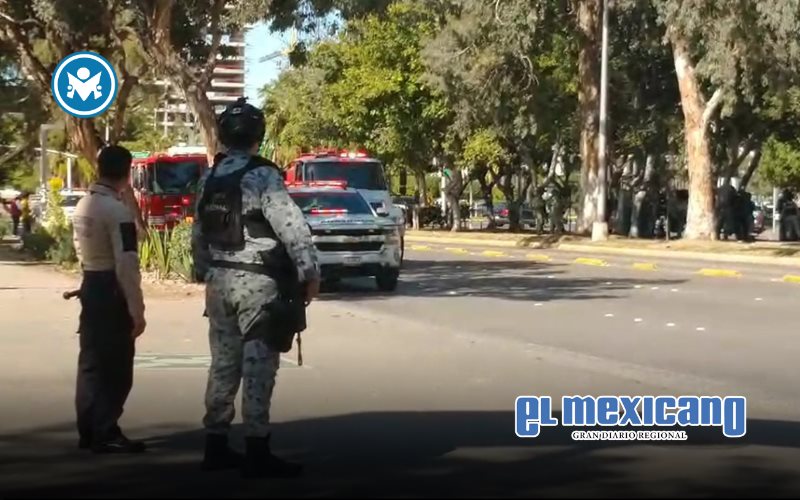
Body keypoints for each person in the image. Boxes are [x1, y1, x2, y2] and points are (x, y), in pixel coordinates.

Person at [192, 97, 321, 478]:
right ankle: (257, 449)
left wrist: (204, 272)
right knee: (259, 365)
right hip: (259, 286)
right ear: (257, 135)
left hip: (218, 283)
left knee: (223, 364)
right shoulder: (263, 176)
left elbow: (198, 234)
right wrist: (310, 271)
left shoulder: (210, 177)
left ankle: (215, 445)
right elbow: (292, 227)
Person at [71, 145, 147, 453]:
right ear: (128, 173)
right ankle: (106, 431)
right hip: (111, 286)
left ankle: (88, 430)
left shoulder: (83, 205)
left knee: (90, 361)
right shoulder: (118, 212)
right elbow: (127, 264)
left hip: (90, 282)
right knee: (116, 365)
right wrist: (137, 310)